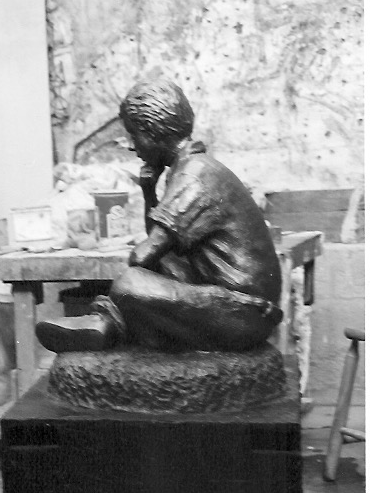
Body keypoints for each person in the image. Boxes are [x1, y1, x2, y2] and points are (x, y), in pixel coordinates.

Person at [36, 79, 283, 354]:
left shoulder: (196, 174)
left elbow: (142, 257)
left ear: (151, 132)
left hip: (245, 311)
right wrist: (148, 191)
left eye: (134, 135)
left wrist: (142, 269)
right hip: (228, 302)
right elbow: (161, 251)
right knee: (157, 271)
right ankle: (107, 325)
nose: (132, 146)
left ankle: (108, 323)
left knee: (130, 283)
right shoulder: (189, 167)